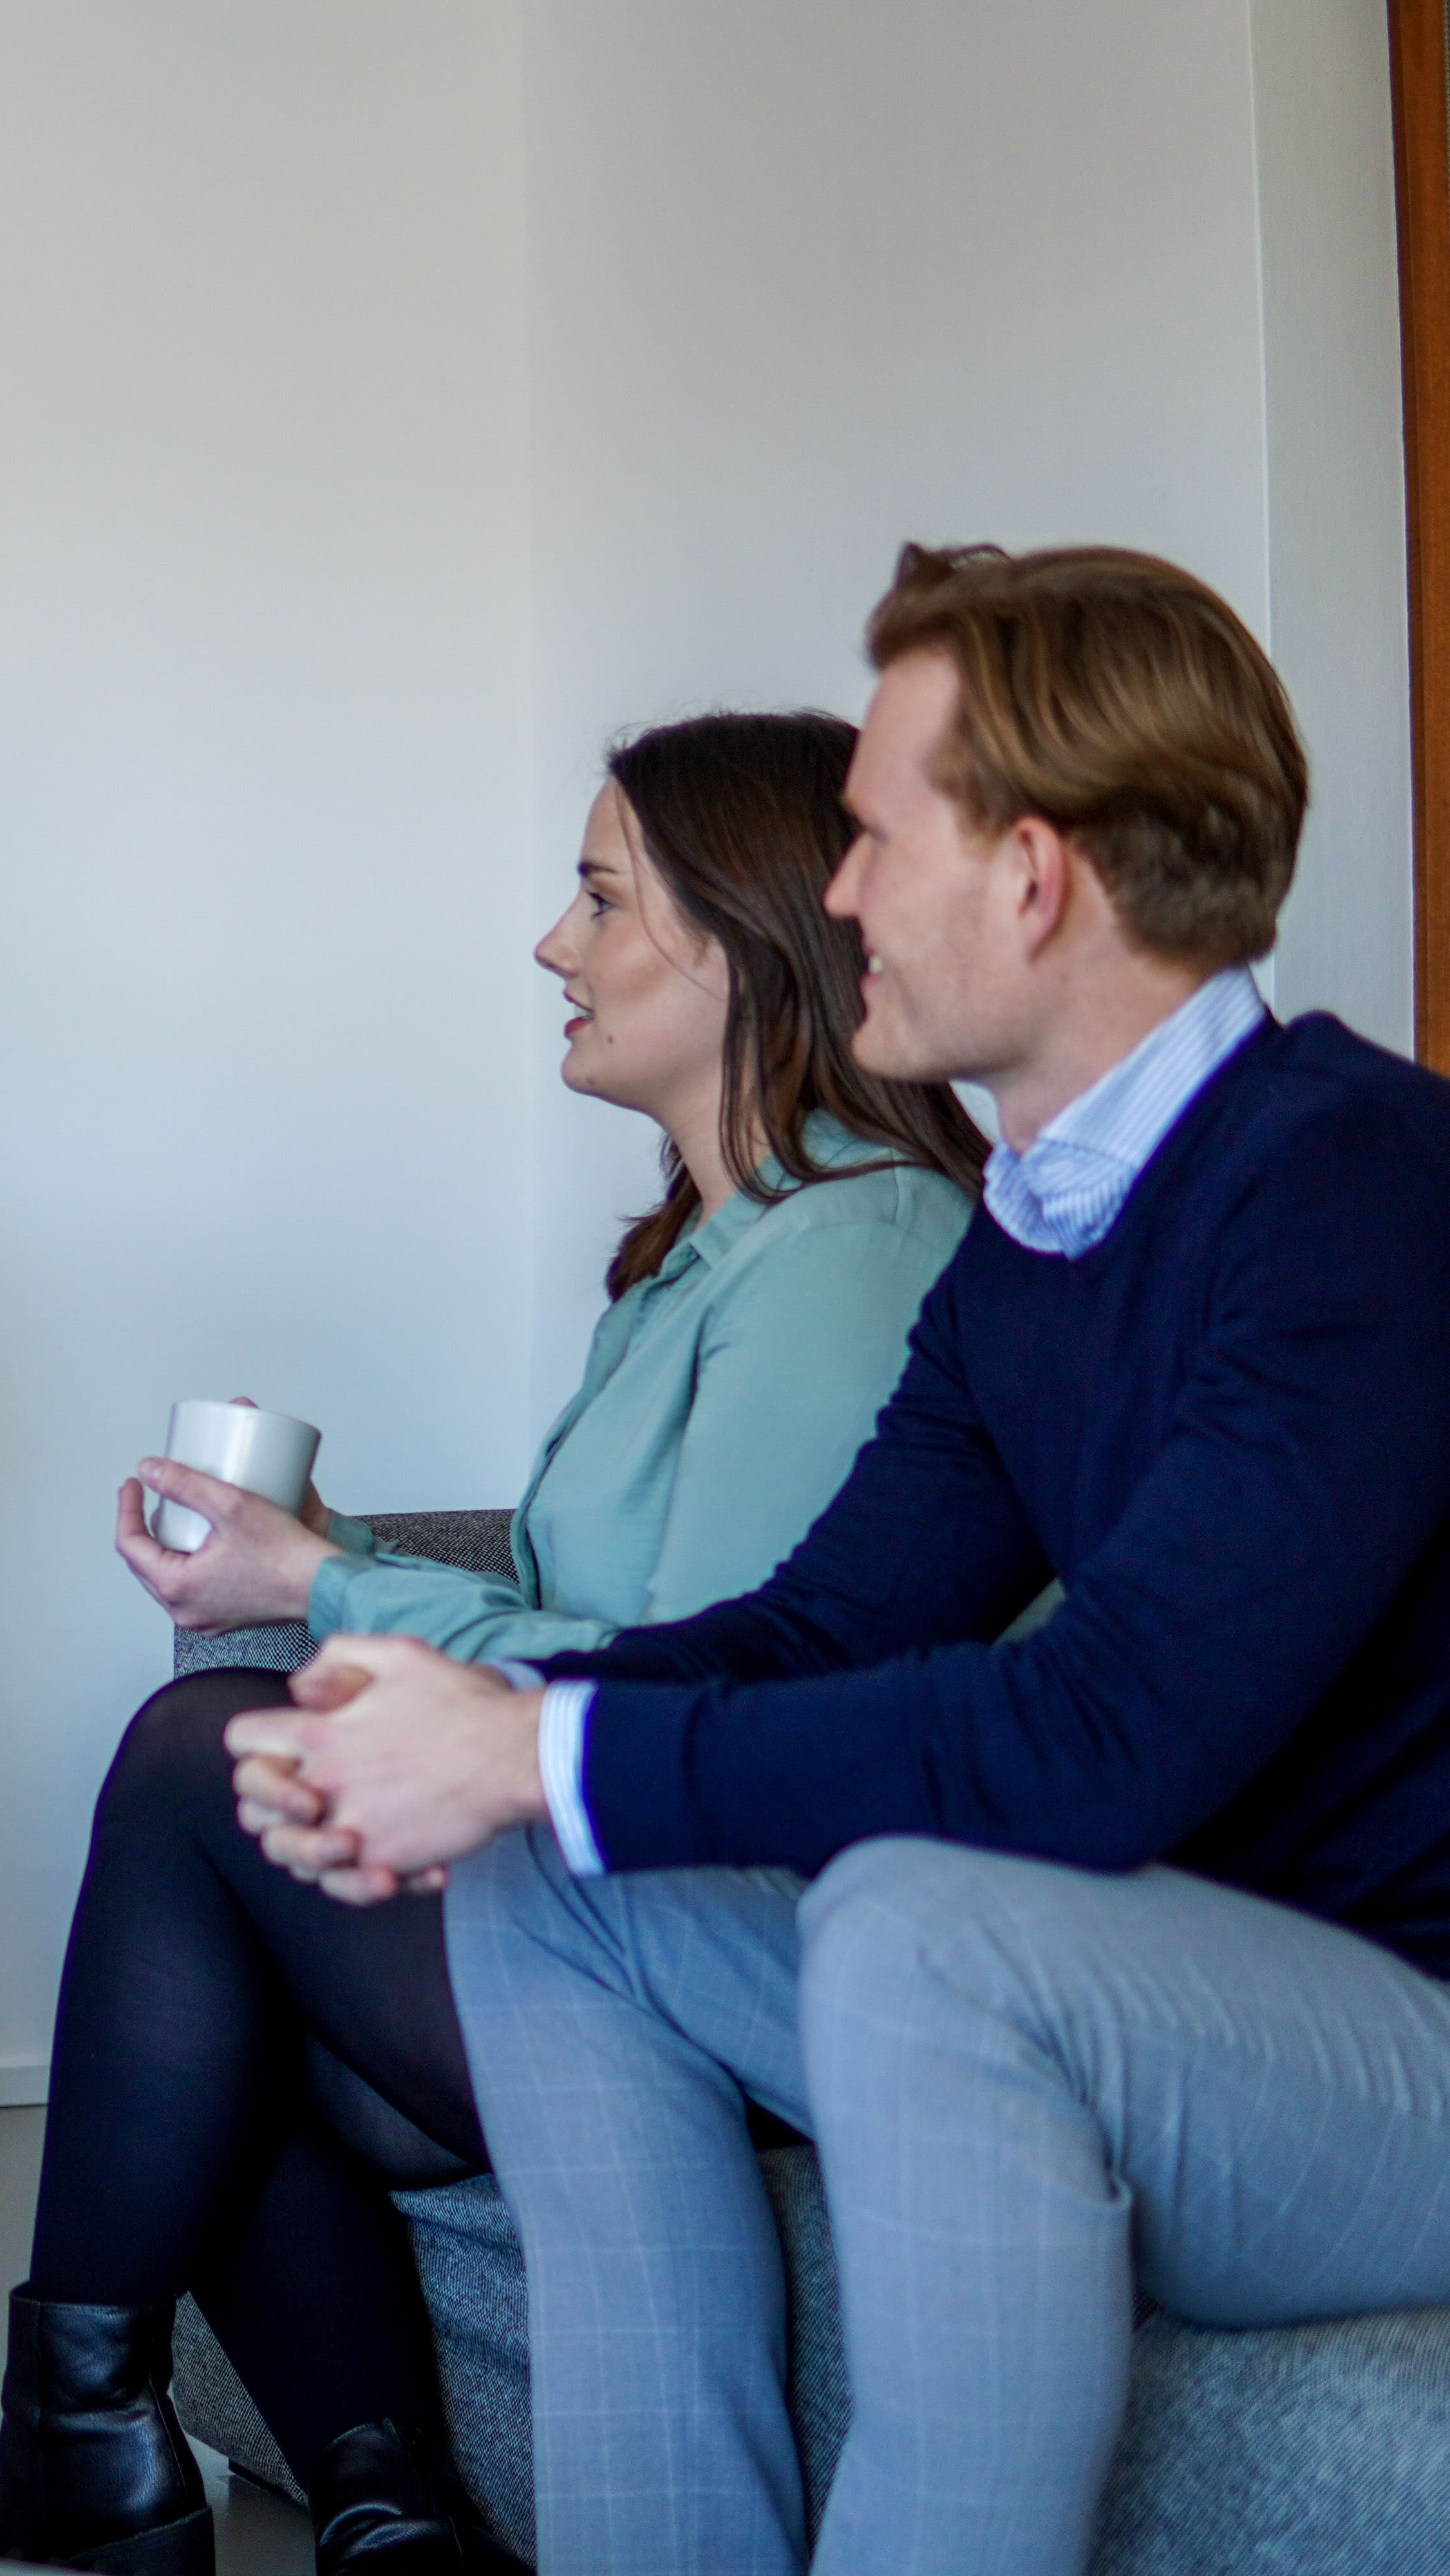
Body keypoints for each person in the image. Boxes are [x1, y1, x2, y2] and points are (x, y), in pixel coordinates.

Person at [229, 543, 1450, 2576]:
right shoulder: (1030, 1243)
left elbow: (1106, 1736)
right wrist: (468, 1727)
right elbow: (821, 1628)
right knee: (549, 1874)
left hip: (1393, 2059)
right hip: (1149, 1997)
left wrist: (537, 1746)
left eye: (878, 836)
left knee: (917, 1922)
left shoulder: (1358, 1180)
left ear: (1034, 875)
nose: (847, 892)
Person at [0, 715, 984, 2576]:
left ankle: (96, 2461)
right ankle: (376, 2516)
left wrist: (327, 1588)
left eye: (601, 900)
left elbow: (700, 1684)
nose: (553, 944)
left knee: (205, 1761)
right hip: (615, 1868)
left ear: (745, 942)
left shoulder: (858, 1246)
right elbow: (588, 1623)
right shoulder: (695, 1261)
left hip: (746, 1931)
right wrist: (323, 1563)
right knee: (237, 1906)